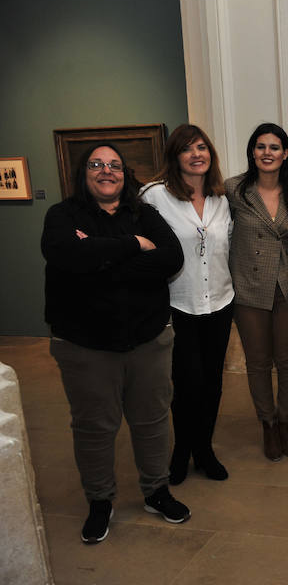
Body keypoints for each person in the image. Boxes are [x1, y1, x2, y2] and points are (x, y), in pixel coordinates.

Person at [42, 143, 189, 544]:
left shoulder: (145, 214)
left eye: (115, 166)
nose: (107, 172)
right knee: (94, 427)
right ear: (83, 172)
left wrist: (97, 257)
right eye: (97, 165)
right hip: (85, 345)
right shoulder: (62, 215)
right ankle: (100, 501)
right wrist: (134, 245)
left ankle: (156, 491)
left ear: (126, 174)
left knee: (153, 420)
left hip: (148, 338)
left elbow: (172, 259)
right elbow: (65, 256)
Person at [140, 124, 234, 485]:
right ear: (174, 156)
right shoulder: (154, 197)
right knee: (186, 383)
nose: (197, 154)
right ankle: (182, 451)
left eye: (202, 147)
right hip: (180, 305)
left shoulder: (221, 198)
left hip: (221, 303)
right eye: (187, 149)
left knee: (212, 383)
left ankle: (204, 450)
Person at [226, 123, 288, 462]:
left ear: (285, 153)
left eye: (274, 147)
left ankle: (287, 419)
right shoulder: (233, 189)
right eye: (260, 146)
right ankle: (268, 422)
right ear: (252, 152)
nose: (266, 153)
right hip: (248, 285)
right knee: (258, 361)